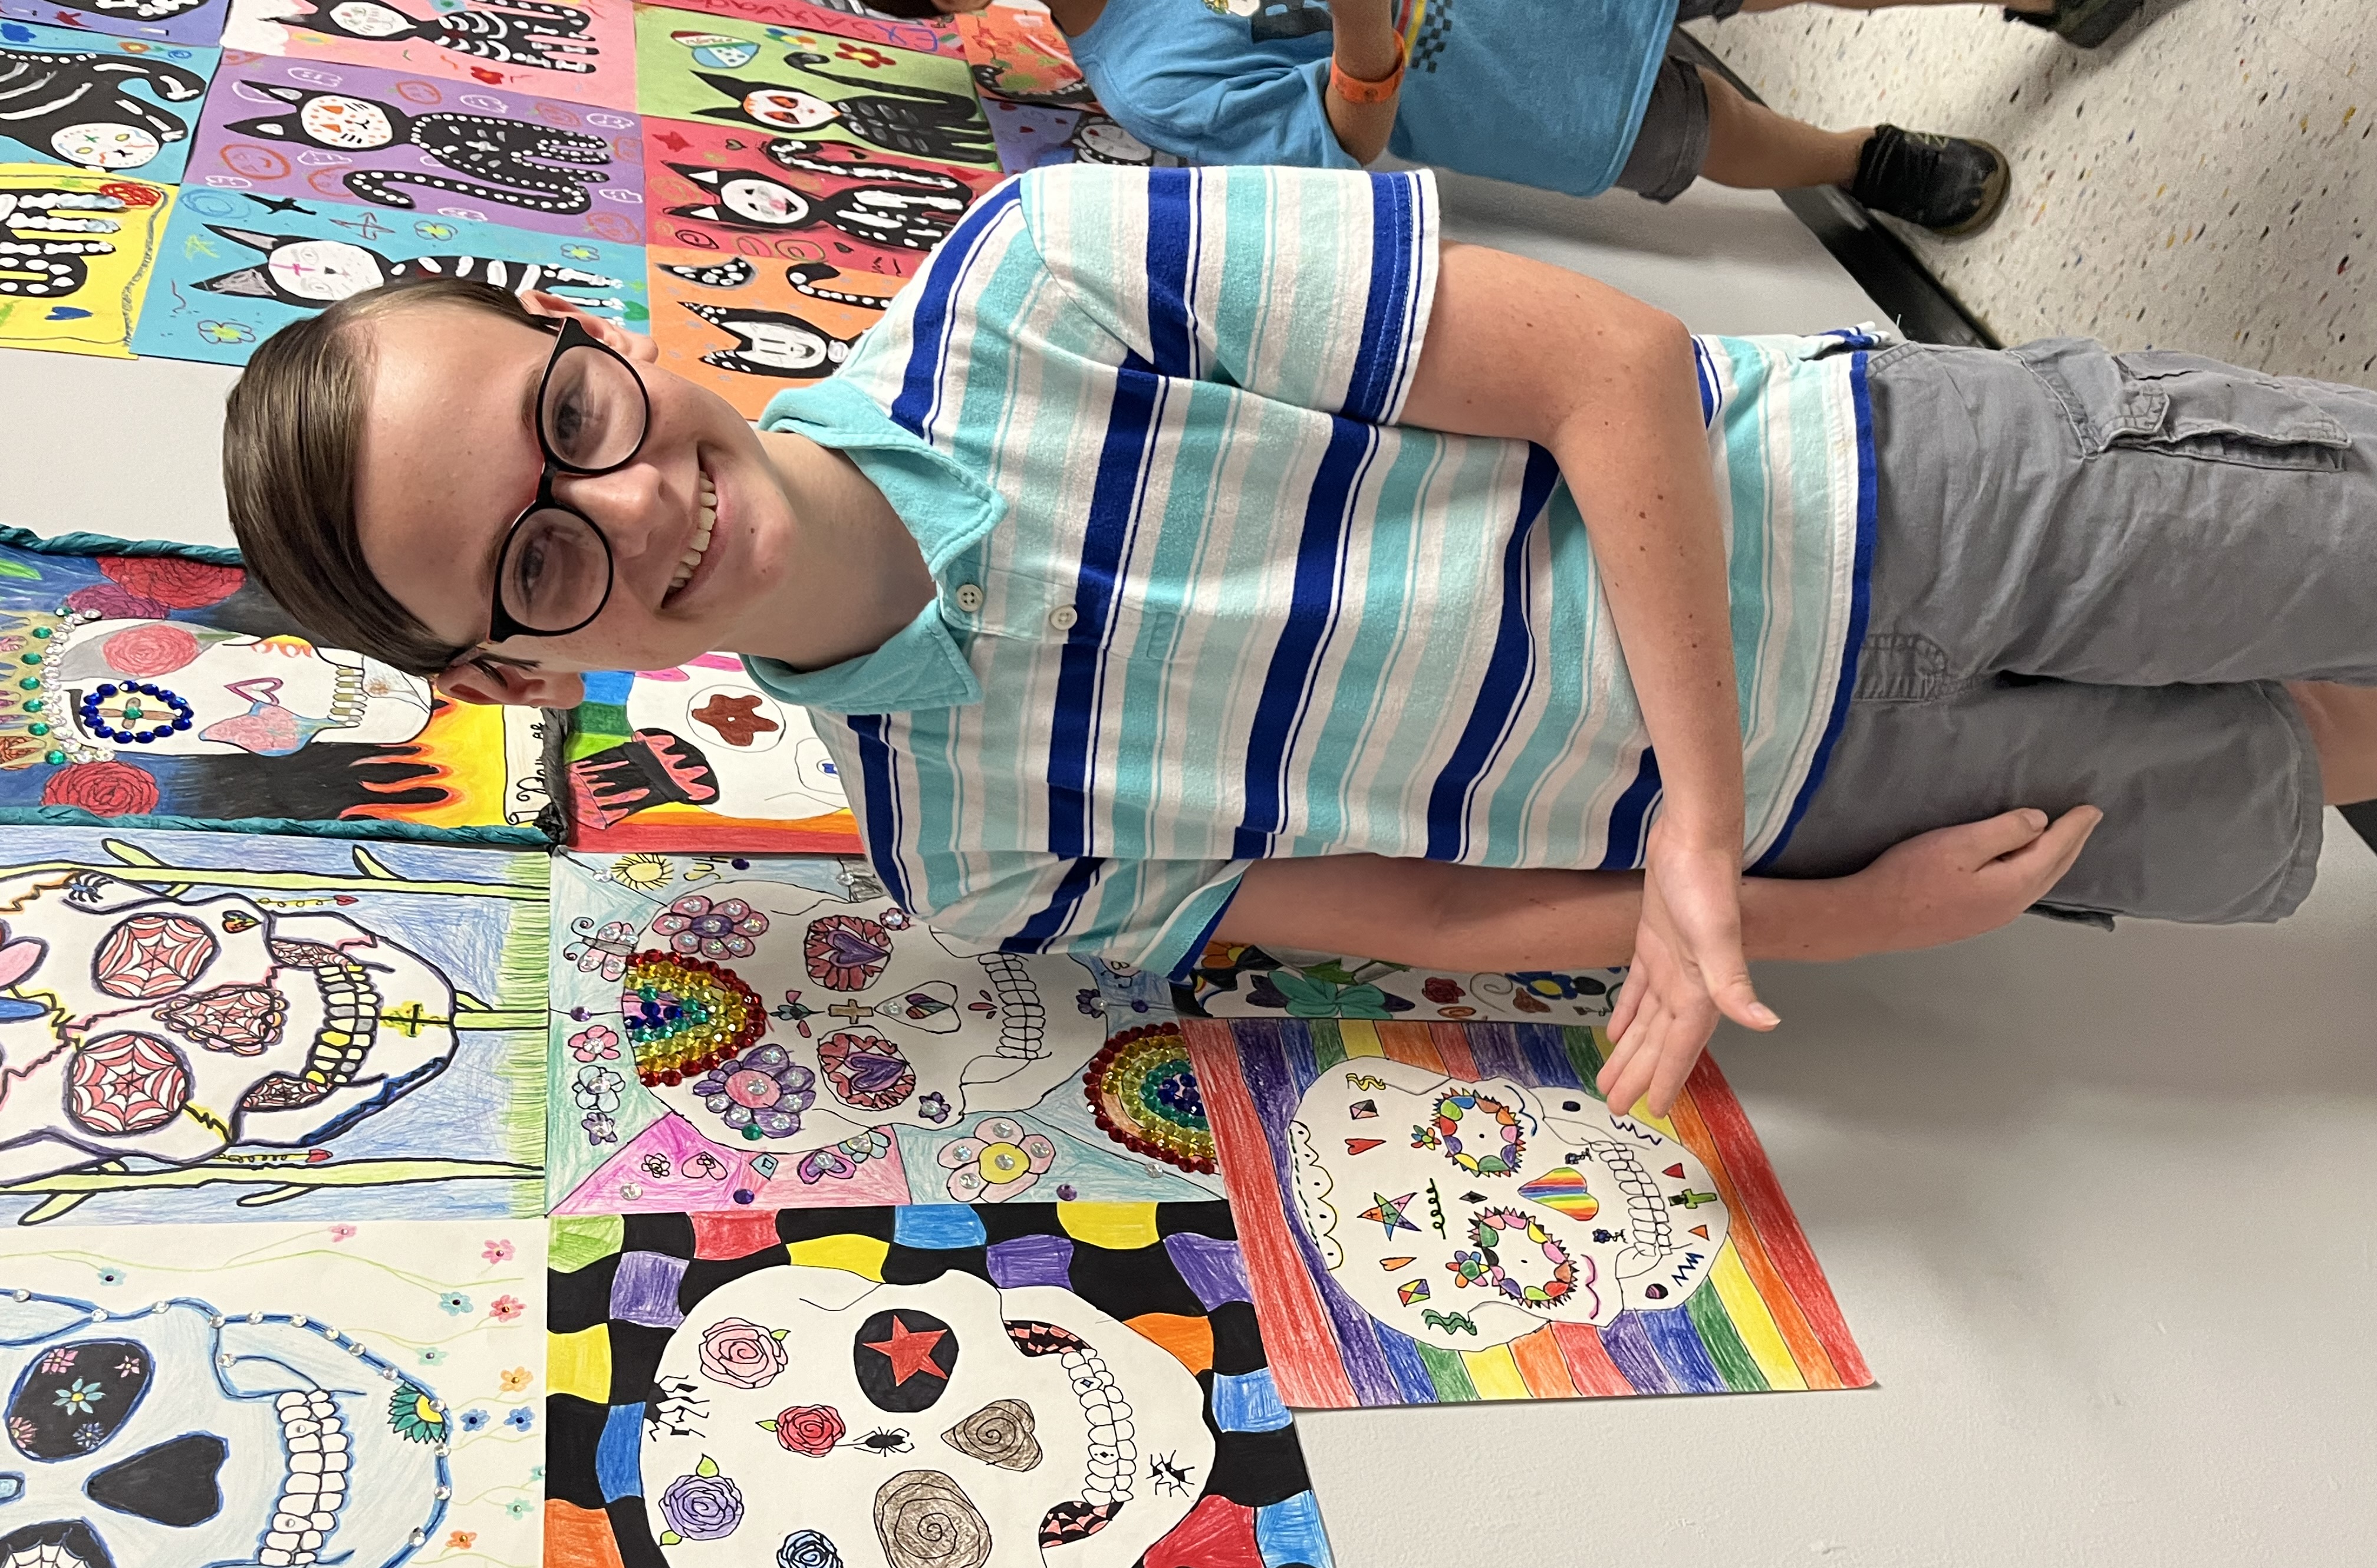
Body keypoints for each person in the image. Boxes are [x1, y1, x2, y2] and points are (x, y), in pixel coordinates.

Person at [220, 163, 2377, 1120]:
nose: (629, 505)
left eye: (566, 419)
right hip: (1845, 799)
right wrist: (1818, 916)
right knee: (2299, 773)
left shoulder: (1044, 275)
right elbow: (1440, 902)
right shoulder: (968, 864)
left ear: (588, 335)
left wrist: (1708, 834)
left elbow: (1611, 368)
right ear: (512, 675)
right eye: (531, 566)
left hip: (1899, 495)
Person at [1028, 0, 2153, 238]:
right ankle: (1861, 160)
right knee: (1705, 133)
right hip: (1520, 97)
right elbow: (1338, 161)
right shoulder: (1147, 76)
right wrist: (1367, 36)